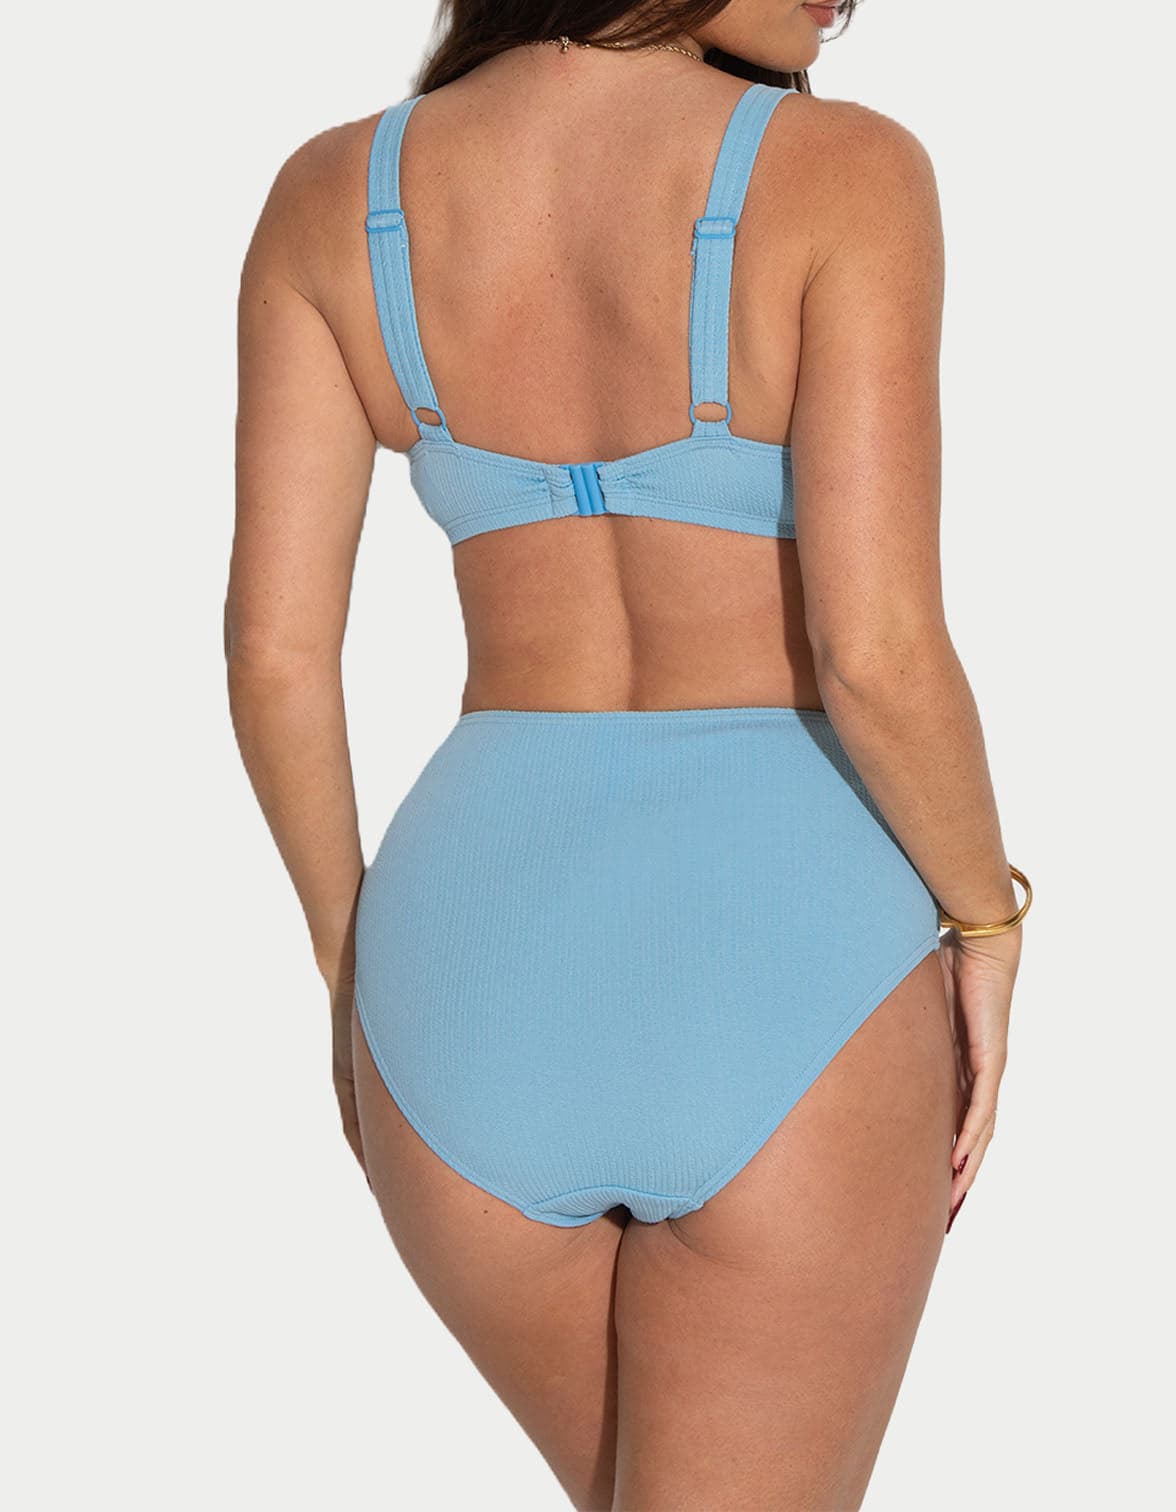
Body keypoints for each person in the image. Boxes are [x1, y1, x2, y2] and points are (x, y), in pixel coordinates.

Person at [227, 1, 1029, 1505]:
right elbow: (877, 656)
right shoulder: (845, 173)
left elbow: (274, 658)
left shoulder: (333, 195)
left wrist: (353, 971)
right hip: (784, 951)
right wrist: (988, 919)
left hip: (461, 971)